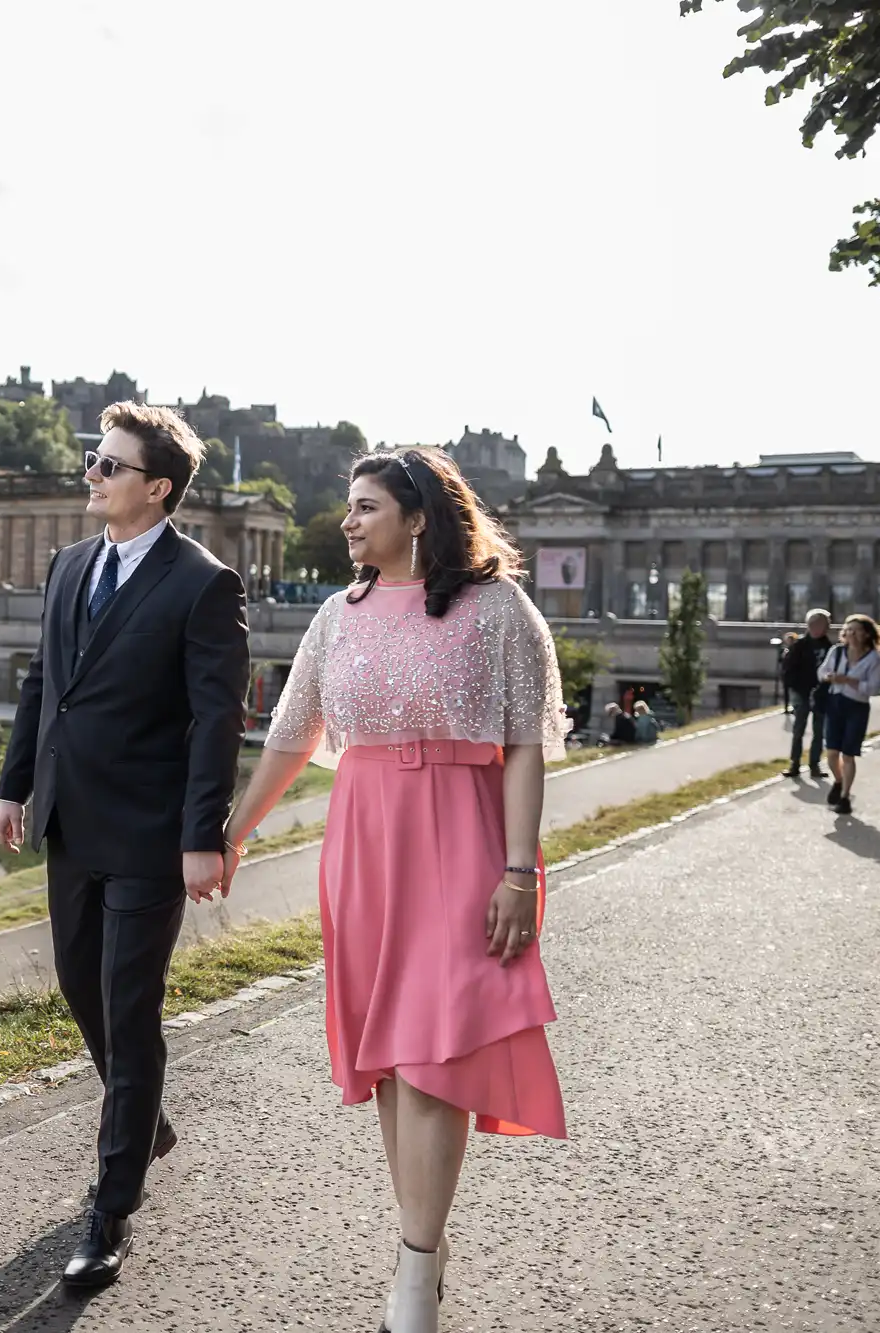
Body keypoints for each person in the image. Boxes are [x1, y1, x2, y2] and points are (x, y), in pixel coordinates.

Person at [221, 447, 567, 1333]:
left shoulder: (499, 612)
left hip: (464, 838)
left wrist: (520, 869)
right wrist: (232, 832)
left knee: (436, 1054)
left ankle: (415, 1267)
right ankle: (423, 1247)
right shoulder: (337, 615)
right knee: (387, 1058)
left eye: (365, 505)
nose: (346, 520)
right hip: (365, 845)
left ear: (419, 518)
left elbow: (525, 742)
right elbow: (293, 737)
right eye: (348, 505)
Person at [0, 401, 248, 1291]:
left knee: (128, 1010)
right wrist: (13, 781)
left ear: (157, 487)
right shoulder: (68, 565)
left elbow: (219, 720)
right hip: (70, 821)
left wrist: (200, 835)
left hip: (150, 838)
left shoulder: (203, 584)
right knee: (78, 985)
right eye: (92, 462)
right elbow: (43, 685)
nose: (92, 477)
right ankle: (147, 1124)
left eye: (108, 466)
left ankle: (109, 1208)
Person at [819, 613, 880, 817]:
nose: (851, 634)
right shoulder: (837, 651)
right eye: (848, 630)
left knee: (848, 754)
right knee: (831, 753)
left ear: (866, 634)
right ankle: (838, 781)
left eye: (855, 630)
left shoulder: (874, 658)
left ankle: (845, 797)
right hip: (835, 704)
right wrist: (829, 677)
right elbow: (821, 672)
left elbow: (873, 688)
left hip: (856, 707)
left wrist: (849, 680)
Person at [780, 610, 833, 779]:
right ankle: (794, 763)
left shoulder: (829, 648)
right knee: (798, 730)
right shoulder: (799, 646)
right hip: (801, 692)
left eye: (820, 625)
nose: (816, 629)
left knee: (819, 731)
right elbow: (788, 669)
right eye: (813, 625)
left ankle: (814, 765)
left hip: (822, 694)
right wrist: (796, 687)